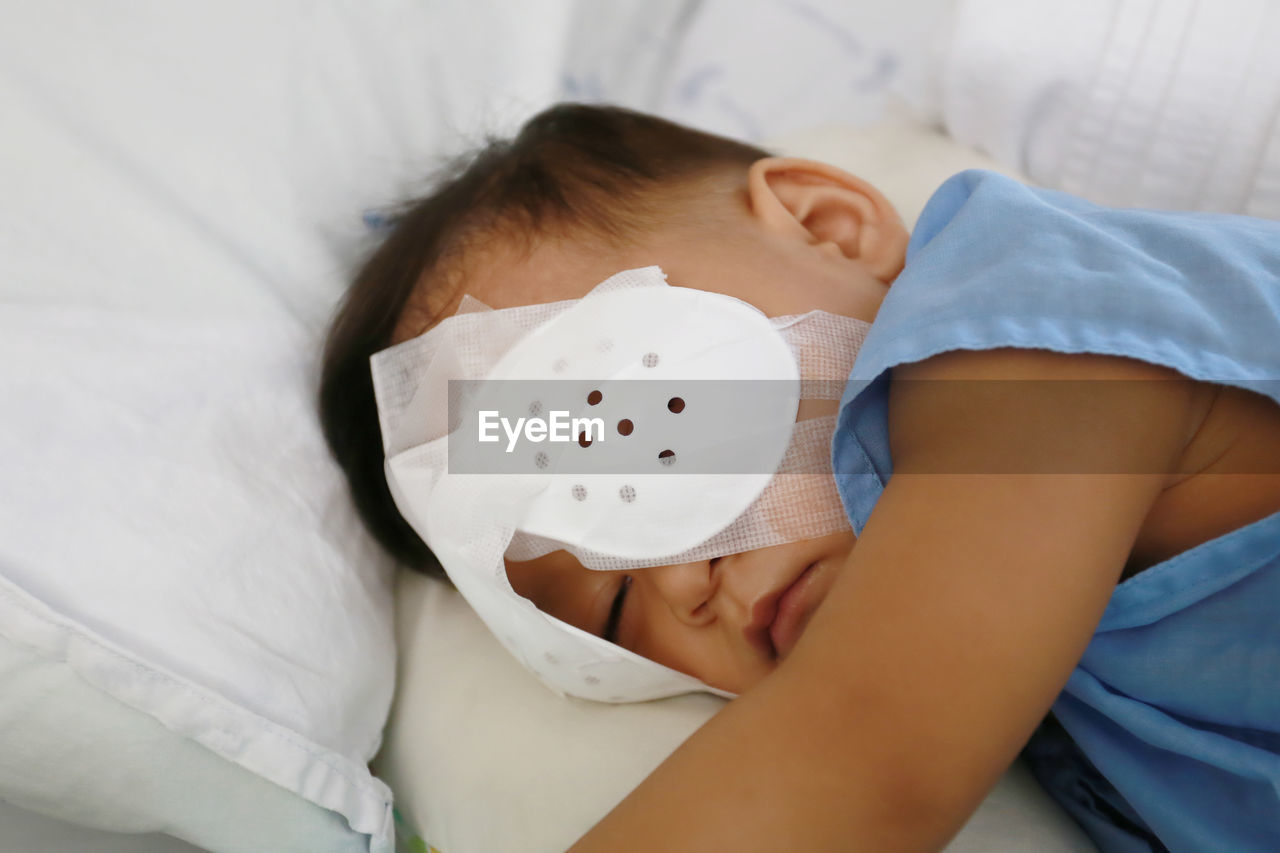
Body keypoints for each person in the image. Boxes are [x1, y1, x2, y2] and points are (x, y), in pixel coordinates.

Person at [319, 103, 1280, 851]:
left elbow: (861, 754)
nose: (682, 582)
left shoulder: (1021, 335)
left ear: (829, 225)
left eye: (641, 432)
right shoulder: (1047, 715)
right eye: (610, 616)